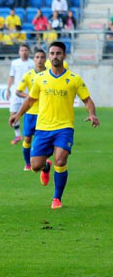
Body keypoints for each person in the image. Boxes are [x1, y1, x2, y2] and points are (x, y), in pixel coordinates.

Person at [9, 42, 99, 209]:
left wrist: (91, 114)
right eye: (52, 53)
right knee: (35, 166)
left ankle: (56, 198)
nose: (55, 56)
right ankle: (45, 166)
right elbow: (30, 100)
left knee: (60, 160)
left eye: (58, 53)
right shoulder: (40, 79)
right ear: (49, 57)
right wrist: (17, 115)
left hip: (64, 127)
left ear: (64, 56)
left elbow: (87, 100)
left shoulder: (74, 79)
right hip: (43, 127)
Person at [15, 49, 47, 171]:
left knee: (42, 139)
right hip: (30, 113)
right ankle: (28, 163)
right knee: (27, 139)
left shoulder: (49, 74)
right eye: (37, 57)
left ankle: (42, 161)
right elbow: (18, 91)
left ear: (45, 59)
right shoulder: (28, 75)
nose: (39, 60)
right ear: (34, 60)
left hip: (44, 113)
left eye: (42, 57)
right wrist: (28, 97)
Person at [6, 44, 34, 145]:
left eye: (26, 50)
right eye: (22, 50)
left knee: (30, 115)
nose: (24, 52)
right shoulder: (14, 63)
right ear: (19, 52)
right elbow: (11, 76)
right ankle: (17, 135)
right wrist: (8, 89)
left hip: (29, 93)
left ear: (29, 52)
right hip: (16, 92)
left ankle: (30, 135)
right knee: (13, 114)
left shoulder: (33, 63)